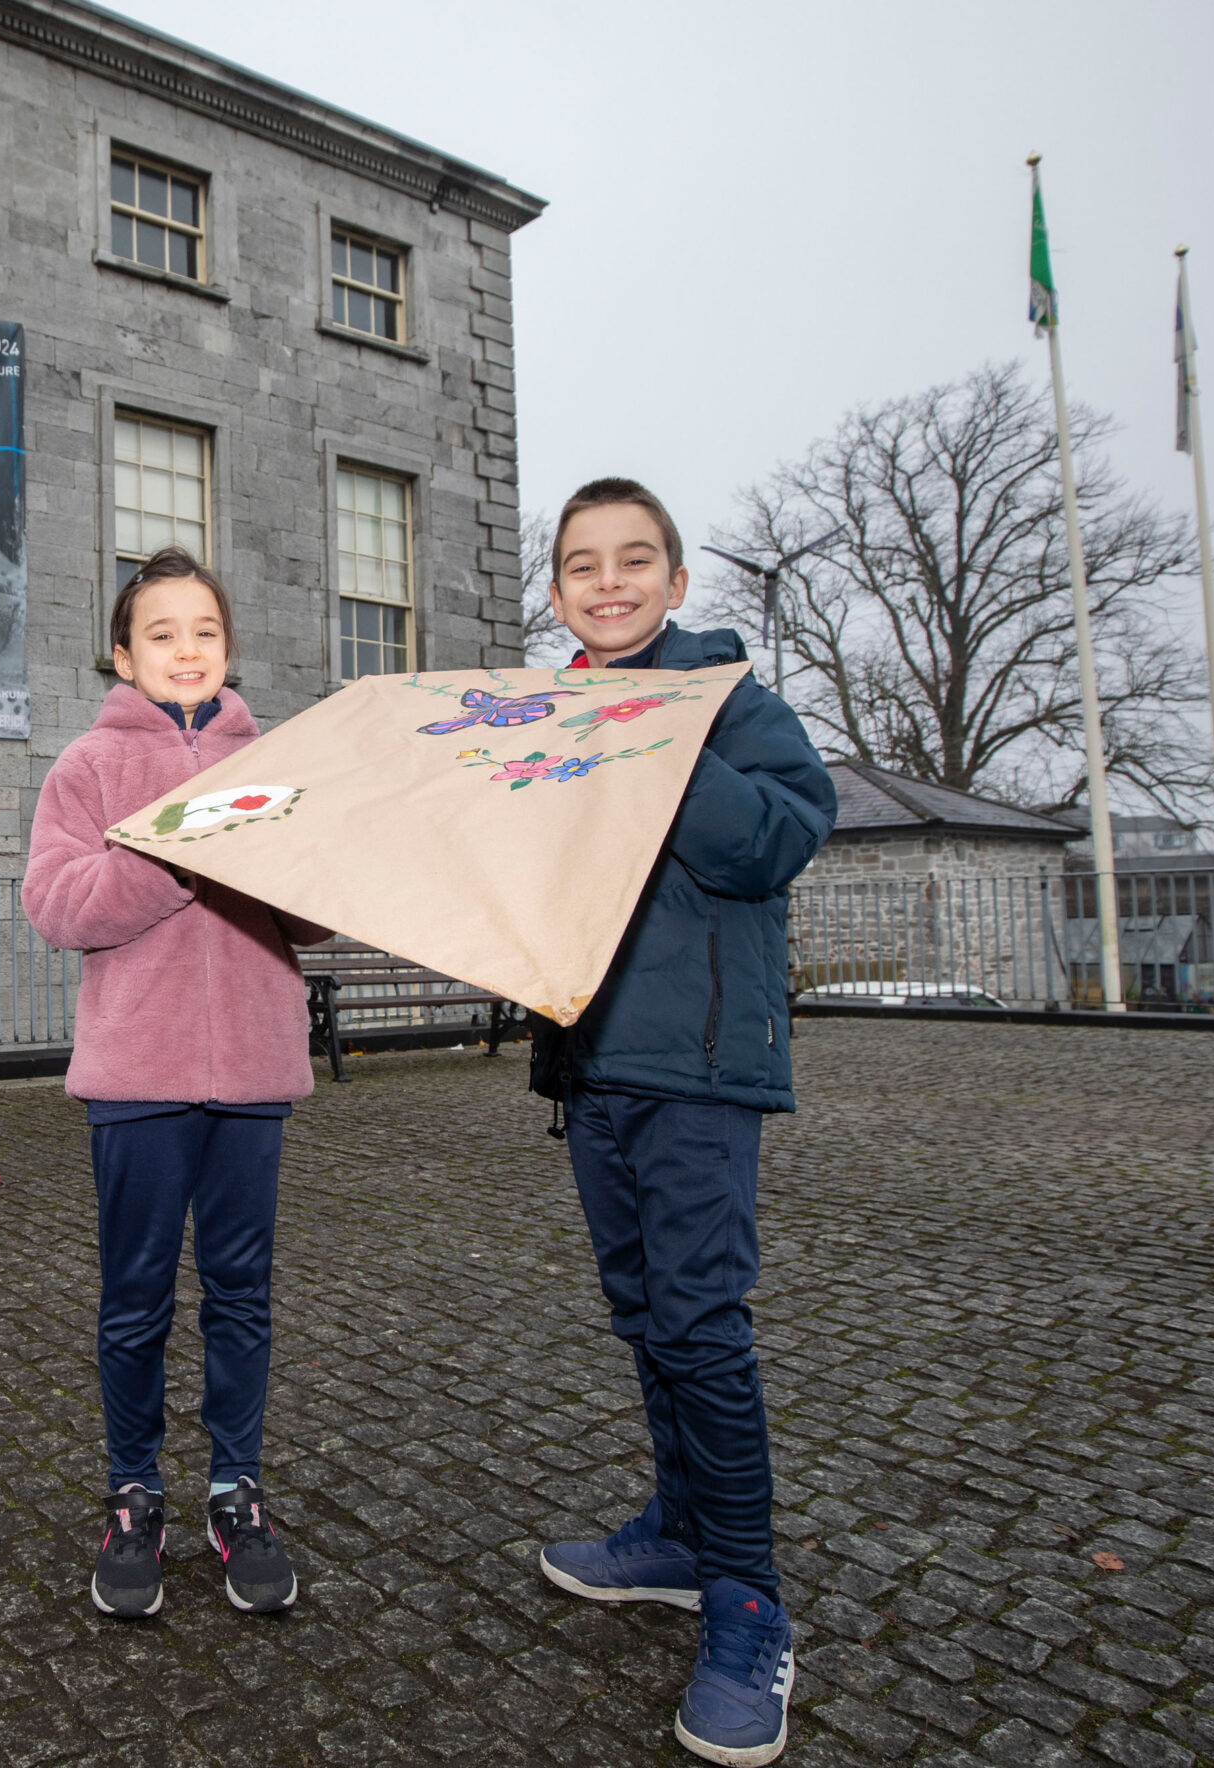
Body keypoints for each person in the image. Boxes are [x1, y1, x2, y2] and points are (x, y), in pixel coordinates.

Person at [526, 479, 836, 1768]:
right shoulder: (544, 713)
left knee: (703, 1326)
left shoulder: (735, 707)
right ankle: (677, 1528)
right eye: (582, 566)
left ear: (674, 582)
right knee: (642, 1311)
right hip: (592, 1065)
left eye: (633, 560)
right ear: (556, 593)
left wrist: (662, 740)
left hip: (701, 1075)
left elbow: (773, 842)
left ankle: (748, 1598)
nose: (608, 583)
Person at [19, 545, 328, 1621]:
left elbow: (313, 911)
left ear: (228, 647)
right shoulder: (87, 767)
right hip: (136, 1076)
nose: (185, 649)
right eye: (161, 633)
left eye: (203, 630)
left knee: (241, 1291)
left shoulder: (276, 759)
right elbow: (56, 904)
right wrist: (176, 850)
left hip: (251, 1073)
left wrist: (287, 861)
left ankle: (236, 1488)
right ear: (122, 653)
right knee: (135, 1296)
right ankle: (131, 1492)